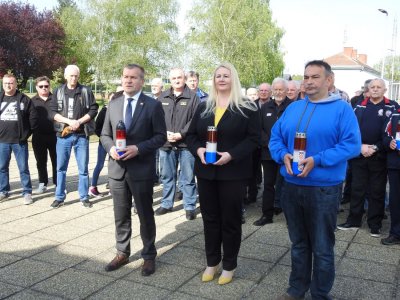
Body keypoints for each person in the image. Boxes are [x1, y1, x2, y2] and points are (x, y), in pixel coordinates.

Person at [269, 60, 361, 299]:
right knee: (298, 243)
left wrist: (317, 160)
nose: (308, 81)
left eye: (315, 77)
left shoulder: (342, 109)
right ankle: (297, 288)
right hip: (291, 185)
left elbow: (352, 146)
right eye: (306, 77)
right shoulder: (293, 108)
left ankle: (320, 293)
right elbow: (275, 138)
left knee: (322, 247)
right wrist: (282, 154)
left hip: (323, 189)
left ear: (329, 81)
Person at [186, 62, 260, 285]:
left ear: (233, 79)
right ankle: (212, 262)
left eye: (226, 75)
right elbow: (190, 136)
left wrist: (231, 155)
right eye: (218, 75)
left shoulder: (247, 107)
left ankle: (229, 265)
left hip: (232, 172)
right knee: (210, 219)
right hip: (206, 172)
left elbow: (254, 139)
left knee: (230, 220)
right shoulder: (203, 106)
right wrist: (198, 149)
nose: (221, 79)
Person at [100, 63, 166, 275]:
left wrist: (138, 148)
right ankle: (122, 252)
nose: (128, 80)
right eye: (125, 76)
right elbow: (104, 135)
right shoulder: (114, 103)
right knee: (120, 214)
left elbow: (160, 137)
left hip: (141, 170)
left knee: (145, 214)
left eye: (133, 77)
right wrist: (110, 149)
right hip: (117, 169)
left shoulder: (152, 105)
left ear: (141, 81)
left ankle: (148, 255)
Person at [337, 78, 398, 237]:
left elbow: (392, 132)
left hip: (380, 155)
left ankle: (375, 224)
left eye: (379, 87)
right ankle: (354, 220)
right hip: (360, 153)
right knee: (357, 189)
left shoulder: (392, 106)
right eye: (372, 87)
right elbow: (351, 129)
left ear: (385, 90)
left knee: (377, 191)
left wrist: (376, 147)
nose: (375, 90)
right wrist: (360, 147)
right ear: (368, 90)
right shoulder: (359, 105)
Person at [49, 64, 98, 208]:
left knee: (83, 169)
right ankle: (59, 197)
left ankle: (84, 196)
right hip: (63, 136)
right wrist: (69, 121)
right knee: (61, 168)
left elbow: (94, 109)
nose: (73, 78)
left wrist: (79, 121)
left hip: (81, 135)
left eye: (76, 75)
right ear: (65, 76)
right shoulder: (58, 91)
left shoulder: (85, 91)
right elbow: (52, 113)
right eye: (71, 75)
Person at [156, 68, 199, 220]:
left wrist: (181, 134)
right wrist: (165, 132)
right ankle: (167, 203)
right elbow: (156, 118)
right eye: (173, 78)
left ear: (184, 78)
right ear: (170, 79)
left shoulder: (193, 97)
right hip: (166, 143)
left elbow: (195, 120)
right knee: (167, 176)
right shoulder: (162, 97)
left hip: (186, 144)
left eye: (179, 77)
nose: (176, 80)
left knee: (187, 177)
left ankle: (189, 206)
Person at [254, 77, 292, 226]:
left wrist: (282, 147)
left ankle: (291, 217)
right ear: (272, 91)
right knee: (268, 185)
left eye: (281, 89)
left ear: (286, 90)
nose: (278, 92)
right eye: (275, 89)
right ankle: (266, 215)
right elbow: (259, 128)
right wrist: (269, 143)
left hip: (287, 154)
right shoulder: (265, 107)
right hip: (268, 153)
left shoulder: (293, 106)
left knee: (287, 185)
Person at [0, 74, 38, 204]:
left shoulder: (24, 99)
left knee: (23, 168)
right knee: (2, 167)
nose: (8, 86)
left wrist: (26, 134)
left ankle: (27, 192)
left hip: (19, 141)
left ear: (15, 84)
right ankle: (3, 191)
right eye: (5, 83)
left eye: (10, 83)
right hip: (2, 141)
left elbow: (33, 118)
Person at [31, 76, 57, 194]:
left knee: (56, 161)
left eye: (46, 86)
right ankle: (43, 183)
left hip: (55, 136)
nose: (44, 88)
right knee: (41, 161)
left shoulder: (55, 99)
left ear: (49, 86)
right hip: (38, 136)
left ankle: (58, 184)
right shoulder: (31, 101)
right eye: (41, 86)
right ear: (36, 87)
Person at [88, 92, 115, 197]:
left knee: (113, 166)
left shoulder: (119, 111)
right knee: (99, 164)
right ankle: (93, 187)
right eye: (112, 98)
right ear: (108, 99)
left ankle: (113, 187)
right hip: (104, 143)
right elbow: (97, 128)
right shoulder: (103, 112)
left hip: (115, 144)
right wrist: (105, 138)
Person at [381, 108, 400, 245]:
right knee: (396, 200)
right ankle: (396, 233)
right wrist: (389, 142)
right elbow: (385, 134)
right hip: (396, 164)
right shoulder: (395, 113)